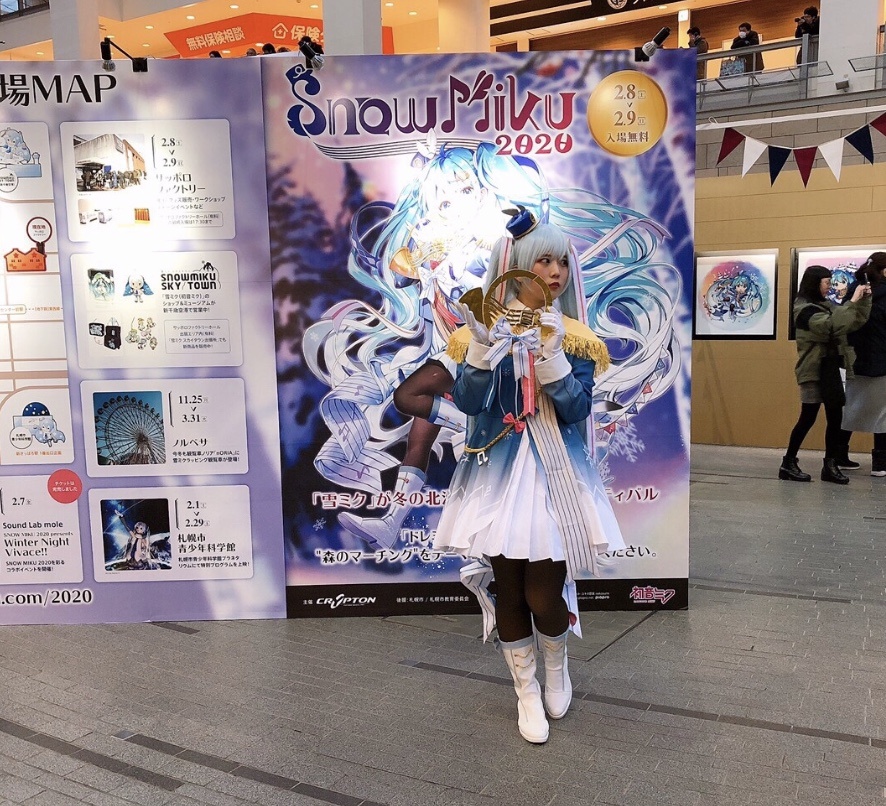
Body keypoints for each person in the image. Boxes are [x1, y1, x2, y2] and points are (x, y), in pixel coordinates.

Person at [433, 212, 626, 744]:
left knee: (543, 594)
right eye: (543, 260)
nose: (556, 271)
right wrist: (479, 349)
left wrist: (553, 356)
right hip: (496, 476)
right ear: (516, 266)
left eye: (562, 261)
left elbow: (577, 410)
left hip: (555, 474)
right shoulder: (478, 331)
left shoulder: (576, 336)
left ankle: (557, 667)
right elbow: (469, 403)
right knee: (510, 592)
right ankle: (526, 691)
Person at [779, 266, 871, 484]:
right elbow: (832, 326)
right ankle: (788, 462)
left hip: (832, 368)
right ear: (814, 283)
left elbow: (852, 321)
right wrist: (852, 301)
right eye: (826, 282)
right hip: (813, 369)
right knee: (808, 417)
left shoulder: (827, 305)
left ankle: (830, 465)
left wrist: (864, 301)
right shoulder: (804, 310)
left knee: (835, 417)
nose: (830, 286)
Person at [841, 253, 886, 476]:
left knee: (850, 409)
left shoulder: (855, 290)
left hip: (855, 360)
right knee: (883, 414)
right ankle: (880, 463)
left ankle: (839, 455)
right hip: (881, 360)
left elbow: (844, 320)